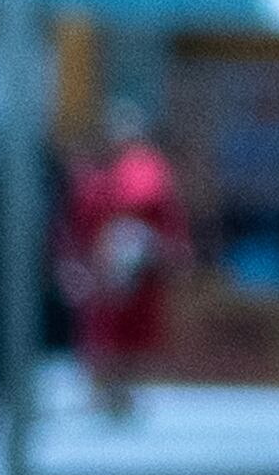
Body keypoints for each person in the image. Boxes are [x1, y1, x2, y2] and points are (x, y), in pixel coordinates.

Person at [61, 102, 188, 417]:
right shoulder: (94, 172)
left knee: (127, 328)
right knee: (100, 325)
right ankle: (103, 391)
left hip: (137, 265)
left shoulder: (149, 168)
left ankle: (124, 391)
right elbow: (80, 217)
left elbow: (160, 213)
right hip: (98, 262)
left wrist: (164, 248)